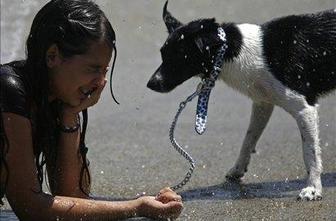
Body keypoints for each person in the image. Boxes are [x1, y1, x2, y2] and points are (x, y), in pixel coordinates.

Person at [0, 0, 183, 220]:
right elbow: (30, 207)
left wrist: (69, 115)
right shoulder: (9, 91)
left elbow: (73, 195)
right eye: (93, 69)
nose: (101, 82)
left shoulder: (55, 98)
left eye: (105, 70)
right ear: (52, 56)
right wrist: (136, 208)